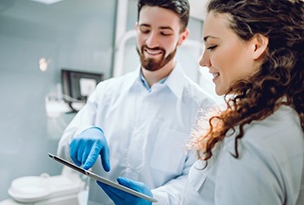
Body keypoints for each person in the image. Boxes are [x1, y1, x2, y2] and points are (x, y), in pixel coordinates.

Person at [97, 0, 304, 204]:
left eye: (212, 46)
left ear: (256, 46)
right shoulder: (289, 117)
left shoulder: (248, 141)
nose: (202, 61)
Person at [57, 0, 216, 204]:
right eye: (145, 29)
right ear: (136, 29)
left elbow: (195, 183)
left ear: (182, 37)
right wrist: (79, 136)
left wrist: (153, 199)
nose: (151, 42)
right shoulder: (106, 92)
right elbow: (64, 147)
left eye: (164, 33)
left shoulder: (203, 108)